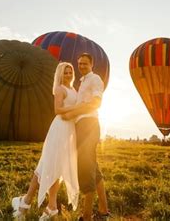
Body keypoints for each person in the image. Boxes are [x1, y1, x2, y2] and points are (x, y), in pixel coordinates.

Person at [12, 62, 81, 220]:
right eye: (65, 72)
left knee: (58, 168)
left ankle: (43, 205)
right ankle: (28, 203)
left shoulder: (73, 89)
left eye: (70, 72)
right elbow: (58, 110)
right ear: (60, 74)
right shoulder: (59, 89)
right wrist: (77, 109)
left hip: (69, 130)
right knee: (48, 165)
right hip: (60, 128)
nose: (69, 75)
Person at [61, 53, 110, 221]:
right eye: (80, 63)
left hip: (89, 124)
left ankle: (87, 216)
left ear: (92, 64)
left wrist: (73, 112)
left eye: (85, 64)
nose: (81, 66)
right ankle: (104, 211)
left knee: (85, 168)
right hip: (81, 125)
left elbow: (97, 103)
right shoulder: (81, 83)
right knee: (93, 169)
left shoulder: (95, 79)